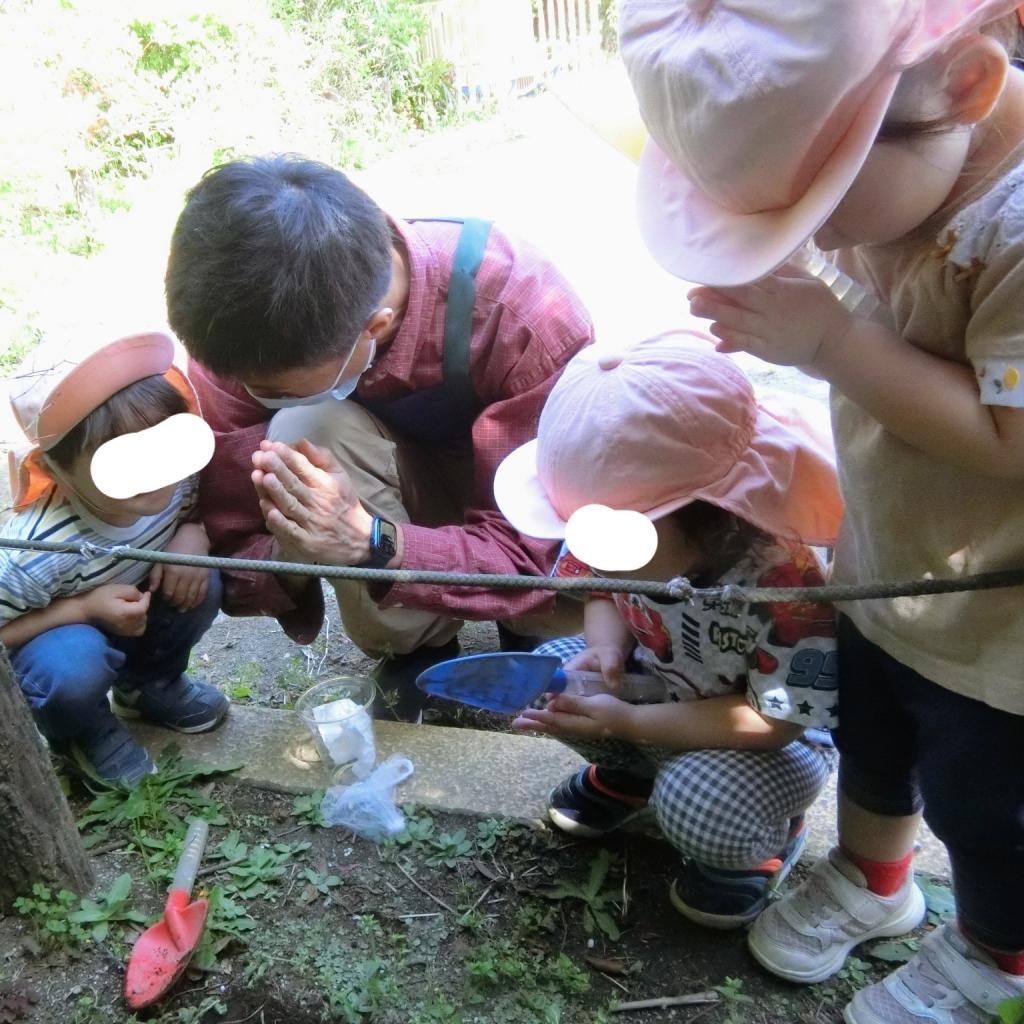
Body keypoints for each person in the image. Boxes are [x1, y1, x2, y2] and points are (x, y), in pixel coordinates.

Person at [619, 0, 1024, 1019]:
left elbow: (1011, 439)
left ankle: (995, 954)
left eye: (822, 201)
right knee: (875, 744)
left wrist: (832, 342)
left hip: (1000, 623)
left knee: (988, 805)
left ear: (964, 86)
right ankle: (874, 880)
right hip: (886, 561)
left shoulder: (1013, 233)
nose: (813, 236)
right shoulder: (909, 171)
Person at [164, 154, 593, 722]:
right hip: (413, 484)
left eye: (271, 389)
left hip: (525, 500)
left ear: (375, 328)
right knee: (302, 429)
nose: (244, 392)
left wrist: (372, 543)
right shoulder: (244, 330)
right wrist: (284, 538)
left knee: (549, 603)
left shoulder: (524, 316)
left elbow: (529, 552)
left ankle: (525, 624)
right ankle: (416, 642)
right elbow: (237, 532)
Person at [496, 332, 844, 930]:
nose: (593, 556)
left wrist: (628, 722)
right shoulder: (614, 537)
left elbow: (775, 720)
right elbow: (600, 590)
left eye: (610, 544)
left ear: (711, 515)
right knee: (554, 672)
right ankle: (631, 776)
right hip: (663, 681)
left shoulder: (782, 585)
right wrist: (606, 648)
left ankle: (761, 841)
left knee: (693, 798)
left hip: (769, 739)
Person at [1, 332, 228, 787]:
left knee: (205, 581)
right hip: (60, 640)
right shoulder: (35, 550)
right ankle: (83, 731)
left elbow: (198, 513)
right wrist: (84, 609)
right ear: (54, 469)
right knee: (71, 664)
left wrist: (195, 535)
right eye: (122, 460)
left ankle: (149, 686)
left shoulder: (179, 481)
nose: (155, 471)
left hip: (136, 614)